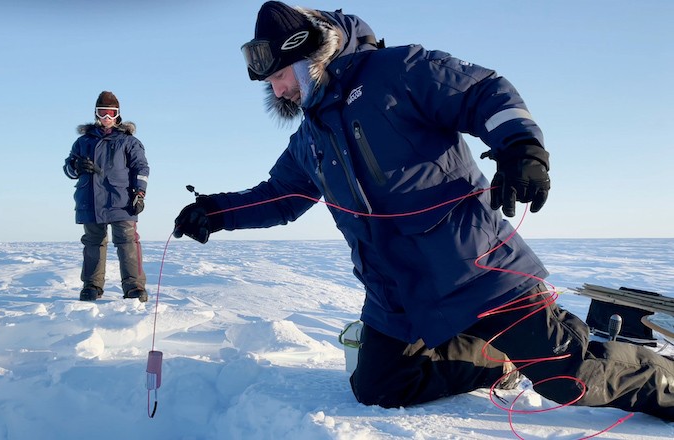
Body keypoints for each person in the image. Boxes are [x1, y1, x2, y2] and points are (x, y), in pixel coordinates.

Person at [173, 1, 674, 421]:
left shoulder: (396, 71)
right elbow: (280, 196)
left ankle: (664, 382)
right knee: (380, 386)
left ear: (305, 58)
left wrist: (521, 147)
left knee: (570, 380)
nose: (278, 90)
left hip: (474, 268)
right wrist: (214, 213)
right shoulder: (310, 139)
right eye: (271, 85)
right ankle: (499, 361)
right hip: (395, 292)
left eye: (280, 76)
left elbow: (481, 91)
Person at [64, 91, 150, 303]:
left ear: (118, 114)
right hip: (90, 200)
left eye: (111, 113)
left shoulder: (128, 142)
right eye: (103, 113)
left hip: (121, 200)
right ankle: (92, 286)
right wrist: (75, 166)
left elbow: (141, 167)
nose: (107, 118)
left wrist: (139, 193)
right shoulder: (83, 142)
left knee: (128, 242)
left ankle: (134, 287)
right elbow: (67, 167)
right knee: (93, 242)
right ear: (96, 114)